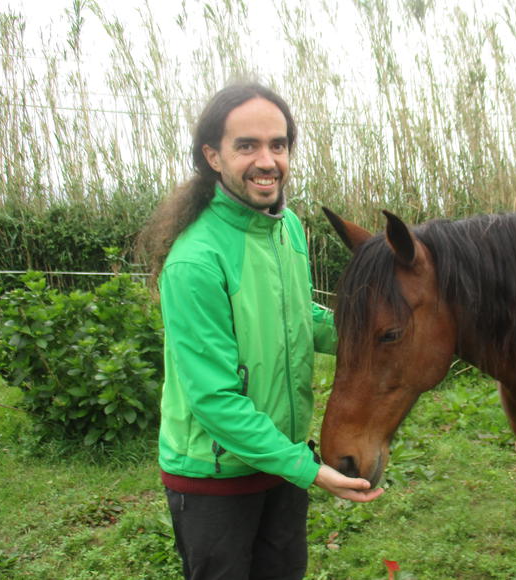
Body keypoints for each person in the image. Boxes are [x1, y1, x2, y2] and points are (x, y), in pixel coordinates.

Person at [139, 82, 383, 580]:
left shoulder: (287, 227)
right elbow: (214, 399)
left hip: (282, 462)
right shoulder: (196, 261)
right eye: (246, 145)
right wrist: (310, 471)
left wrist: (380, 334)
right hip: (216, 477)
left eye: (278, 144)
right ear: (213, 156)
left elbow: (301, 318)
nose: (267, 160)